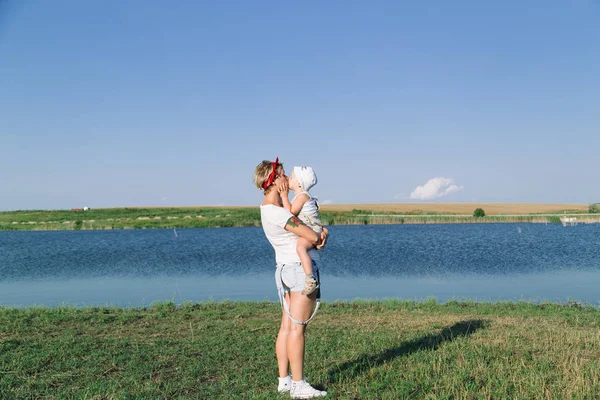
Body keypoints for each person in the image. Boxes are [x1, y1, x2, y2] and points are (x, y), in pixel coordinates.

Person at [254, 158, 328, 399]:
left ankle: (284, 380)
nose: (287, 178)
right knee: (298, 329)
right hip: (298, 271)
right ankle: (298, 385)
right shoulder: (278, 213)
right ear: (274, 181)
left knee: (286, 327)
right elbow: (310, 235)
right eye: (283, 174)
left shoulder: (266, 209)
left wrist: (317, 235)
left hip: (284, 269)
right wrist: (321, 234)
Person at [281, 166, 322, 296]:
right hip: (312, 228)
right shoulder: (301, 197)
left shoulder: (302, 196)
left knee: (300, 248)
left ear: (299, 183)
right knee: (300, 248)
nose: (288, 178)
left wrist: (283, 197)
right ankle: (309, 277)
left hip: (312, 230)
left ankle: (309, 278)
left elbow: (291, 212)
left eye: (291, 177)